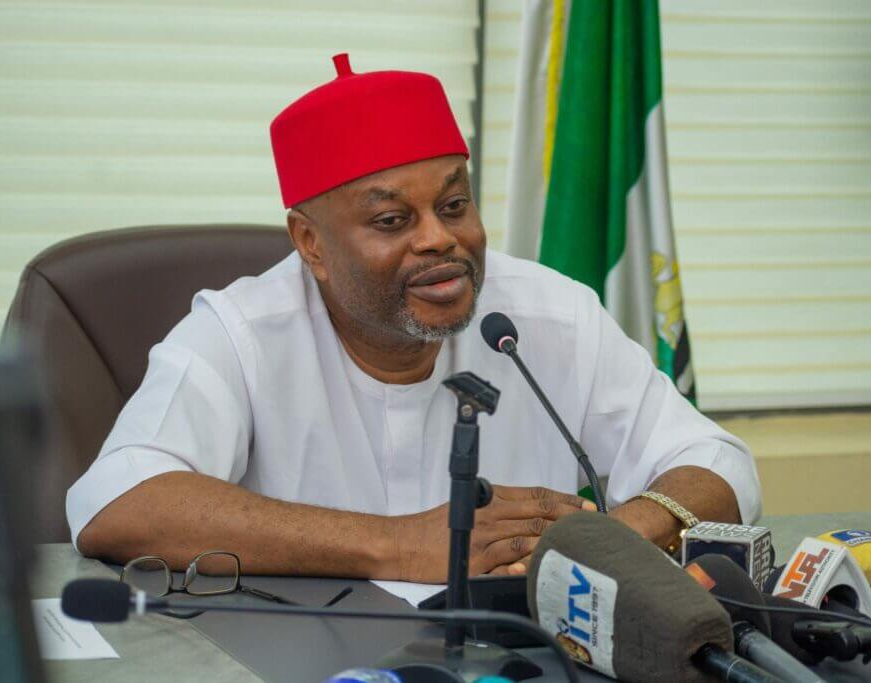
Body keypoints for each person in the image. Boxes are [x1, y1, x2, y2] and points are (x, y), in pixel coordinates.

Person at [68, 54, 760, 583]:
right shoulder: (241, 331)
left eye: (454, 207)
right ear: (311, 244)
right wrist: (399, 543)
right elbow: (117, 500)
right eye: (393, 220)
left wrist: (611, 542)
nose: (439, 239)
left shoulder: (550, 314)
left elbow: (717, 463)